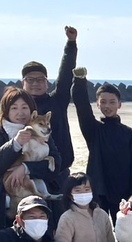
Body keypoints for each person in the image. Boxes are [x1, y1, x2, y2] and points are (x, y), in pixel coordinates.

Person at [72, 61, 132, 220]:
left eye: (112, 102)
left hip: (123, 195)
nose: (108, 106)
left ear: (119, 104)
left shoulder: (129, 134)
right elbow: (81, 106)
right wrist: (79, 81)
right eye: (103, 102)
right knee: (98, 235)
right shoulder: (93, 130)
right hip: (97, 193)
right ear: (98, 104)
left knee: (125, 237)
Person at [0, 87, 62, 231]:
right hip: (4, 200)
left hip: (39, 204)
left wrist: (26, 168)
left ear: (32, 110)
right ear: (5, 111)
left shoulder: (41, 132)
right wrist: (15, 144)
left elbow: (56, 164)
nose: (20, 112)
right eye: (14, 108)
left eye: (25, 107)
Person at [21, 25, 79, 176]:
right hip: (27, 171)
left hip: (59, 170)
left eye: (40, 79)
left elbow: (66, 75)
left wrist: (71, 44)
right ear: (23, 83)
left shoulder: (57, 101)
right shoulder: (18, 107)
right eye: (30, 80)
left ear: (47, 83)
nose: (35, 83)